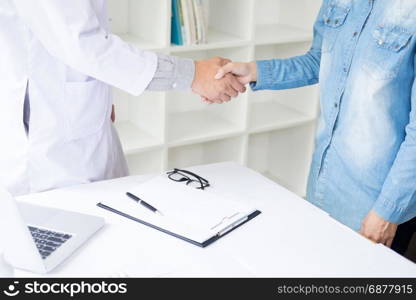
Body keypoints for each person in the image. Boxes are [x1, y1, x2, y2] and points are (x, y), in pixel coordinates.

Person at [215, 0, 416, 255]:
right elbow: (319, 61)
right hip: (324, 183)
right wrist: (254, 71)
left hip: (377, 207)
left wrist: (387, 211)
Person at [0, 0, 245, 196]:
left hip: (75, 114)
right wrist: (192, 75)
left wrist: (99, 94)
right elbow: (83, 45)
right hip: (48, 142)